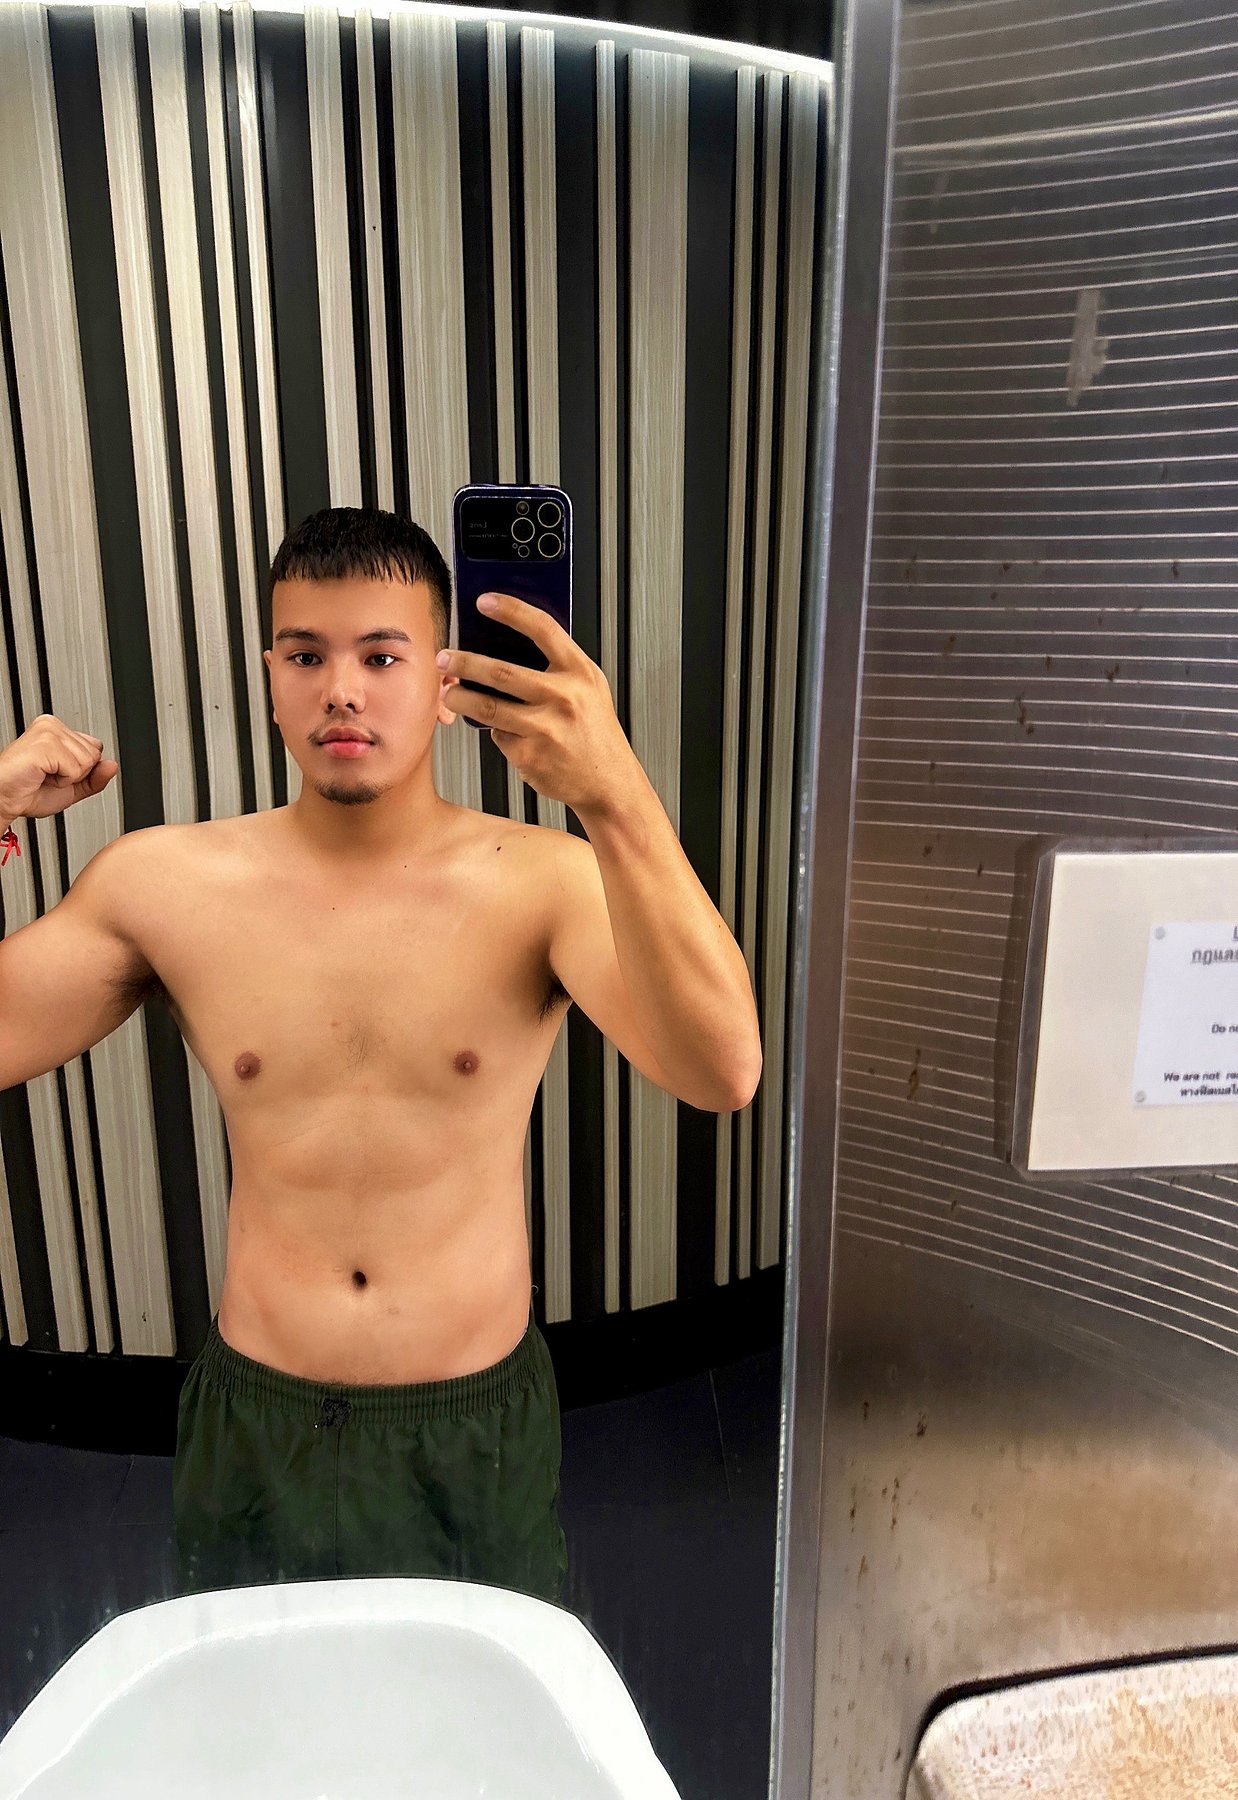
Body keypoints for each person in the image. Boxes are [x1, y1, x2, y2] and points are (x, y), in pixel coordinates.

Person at [0, 506, 762, 1606]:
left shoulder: (541, 881)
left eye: (382, 656)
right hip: (258, 1424)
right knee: (251, 1710)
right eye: (306, 655)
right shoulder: (162, 884)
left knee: (477, 1714)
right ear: (270, 677)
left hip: (470, 1426)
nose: (342, 691)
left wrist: (614, 792)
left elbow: (722, 1070)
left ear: (445, 678)